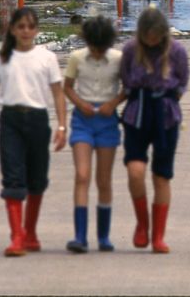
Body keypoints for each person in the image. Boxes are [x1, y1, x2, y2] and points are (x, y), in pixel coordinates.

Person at [0, 7, 67, 257]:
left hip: (37, 121)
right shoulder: (1, 59)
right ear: (12, 29)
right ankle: (16, 237)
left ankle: (31, 232)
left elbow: (57, 92)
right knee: (13, 177)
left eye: (30, 27)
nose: (25, 31)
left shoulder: (46, 58)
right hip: (10, 121)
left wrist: (62, 126)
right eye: (21, 26)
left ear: (36, 30)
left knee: (37, 179)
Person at [119, 6, 190, 254]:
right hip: (136, 112)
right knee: (135, 171)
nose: (151, 40)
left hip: (166, 115)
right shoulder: (130, 50)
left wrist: (168, 101)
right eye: (147, 35)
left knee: (161, 176)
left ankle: (158, 236)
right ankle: (142, 224)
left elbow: (182, 82)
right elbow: (125, 80)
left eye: (155, 35)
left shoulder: (177, 52)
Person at [63, 16, 124, 253]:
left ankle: (104, 236)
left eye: (102, 48)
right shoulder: (77, 58)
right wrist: (80, 103)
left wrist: (114, 103)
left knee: (104, 180)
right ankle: (80, 236)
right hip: (83, 120)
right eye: (94, 47)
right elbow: (67, 86)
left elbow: (128, 88)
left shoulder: (119, 59)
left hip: (108, 120)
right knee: (82, 174)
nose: (97, 53)